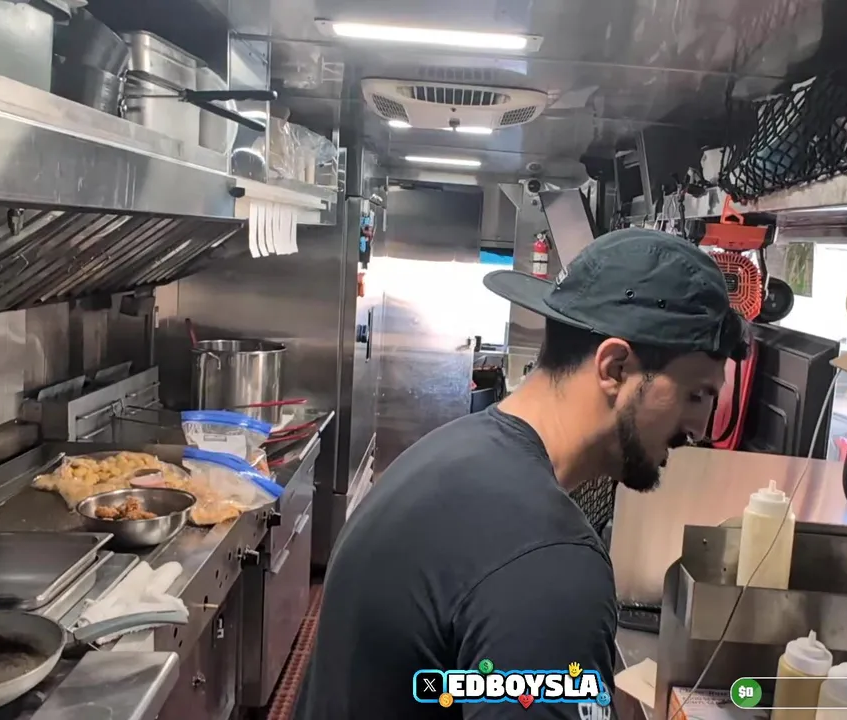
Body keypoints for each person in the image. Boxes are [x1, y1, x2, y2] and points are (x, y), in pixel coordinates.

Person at [294, 228, 747, 719]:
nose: (700, 428)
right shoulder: (549, 563)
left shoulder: (448, 453)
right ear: (615, 368)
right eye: (695, 394)